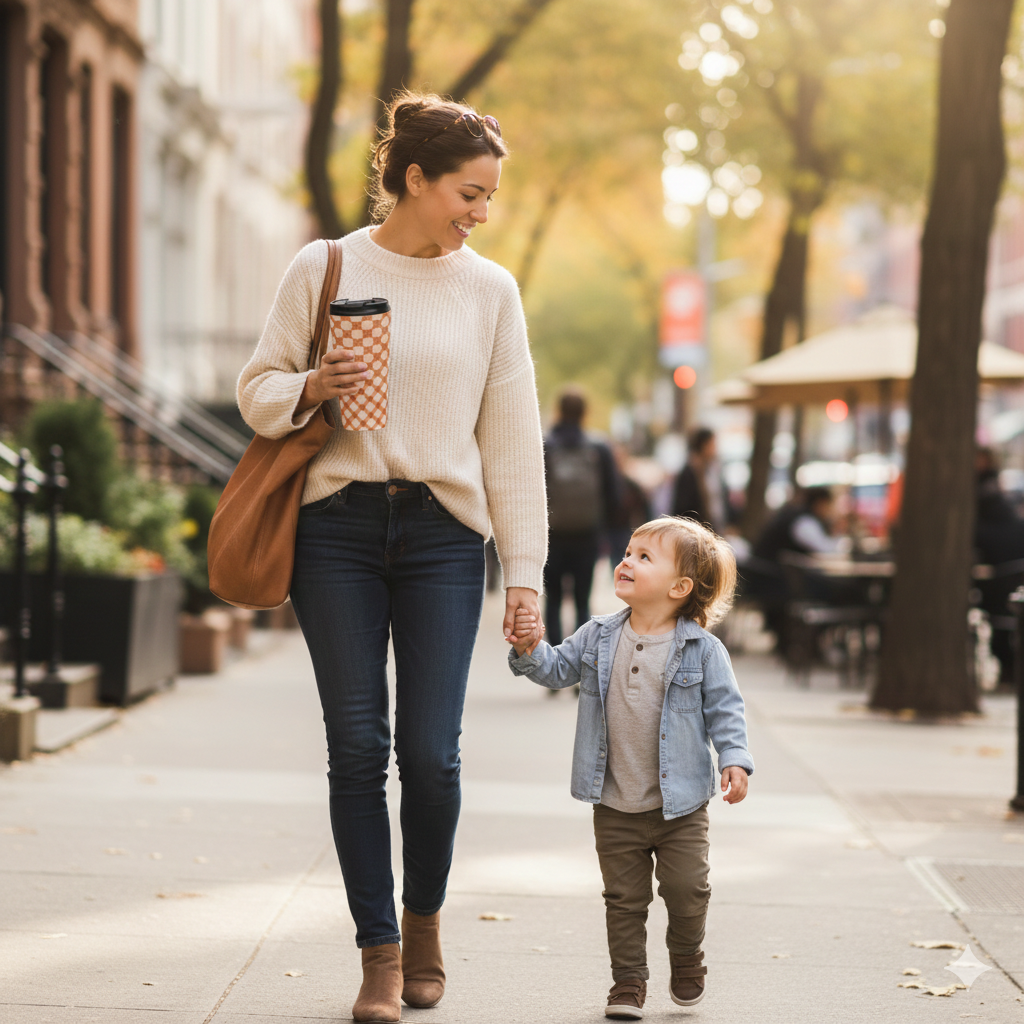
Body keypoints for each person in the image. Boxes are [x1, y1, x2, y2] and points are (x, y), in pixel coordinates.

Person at [237, 92, 547, 1024]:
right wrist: (310, 386)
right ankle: (379, 953)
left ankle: (425, 924)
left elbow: (511, 441)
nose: (479, 213)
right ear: (414, 179)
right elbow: (255, 395)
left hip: (443, 538)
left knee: (433, 755)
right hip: (337, 528)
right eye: (469, 192)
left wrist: (523, 576)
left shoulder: (490, 290)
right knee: (358, 748)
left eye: (488, 197)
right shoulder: (323, 265)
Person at [507, 516, 754, 1018]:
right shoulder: (598, 635)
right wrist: (529, 648)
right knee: (623, 899)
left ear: (680, 587)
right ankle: (628, 983)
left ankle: (686, 958)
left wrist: (735, 760)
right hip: (616, 802)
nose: (626, 561)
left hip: (681, 804)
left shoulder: (704, 650)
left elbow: (726, 709)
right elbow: (557, 669)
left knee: (688, 891)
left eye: (645, 557)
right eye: (627, 551)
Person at [543, 389, 618, 647]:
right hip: (587, 535)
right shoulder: (598, 447)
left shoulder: (545, 445)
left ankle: (552, 662)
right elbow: (614, 495)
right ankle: (579, 661)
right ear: (585, 413)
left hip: (551, 536)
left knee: (552, 599)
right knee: (582, 601)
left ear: (559, 411)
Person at [670, 427, 727, 533]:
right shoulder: (690, 472)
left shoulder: (714, 469)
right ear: (703, 445)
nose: (715, 448)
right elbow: (683, 507)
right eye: (712, 444)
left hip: (714, 528)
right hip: (696, 531)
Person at [607, 443, 652, 574]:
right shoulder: (607, 483)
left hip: (625, 530)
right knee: (615, 566)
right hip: (610, 530)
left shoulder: (631, 484)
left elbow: (644, 507)